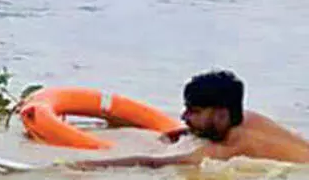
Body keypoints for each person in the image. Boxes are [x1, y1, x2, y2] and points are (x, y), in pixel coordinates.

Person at [67, 70, 309, 169]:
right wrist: (184, 133)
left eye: (193, 111)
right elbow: (210, 131)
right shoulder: (248, 117)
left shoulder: (232, 147)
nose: (184, 117)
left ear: (221, 113)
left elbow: (152, 163)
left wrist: (89, 165)